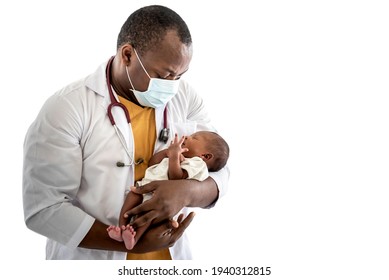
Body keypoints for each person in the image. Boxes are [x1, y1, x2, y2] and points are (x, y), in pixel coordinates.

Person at [22, 5, 229, 260]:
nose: (173, 86)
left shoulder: (184, 96)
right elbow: (43, 208)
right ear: (128, 55)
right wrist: (130, 245)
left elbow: (219, 164)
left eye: (180, 75)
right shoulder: (67, 108)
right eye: (164, 75)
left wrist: (187, 192)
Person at [107, 131, 229, 250]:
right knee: (132, 197)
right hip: (145, 186)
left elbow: (176, 177)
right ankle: (121, 229)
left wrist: (174, 156)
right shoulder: (178, 156)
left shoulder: (197, 164)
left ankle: (134, 238)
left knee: (146, 216)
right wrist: (167, 152)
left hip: (159, 197)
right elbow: (153, 163)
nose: (187, 136)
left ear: (205, 156)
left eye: (194, 138)